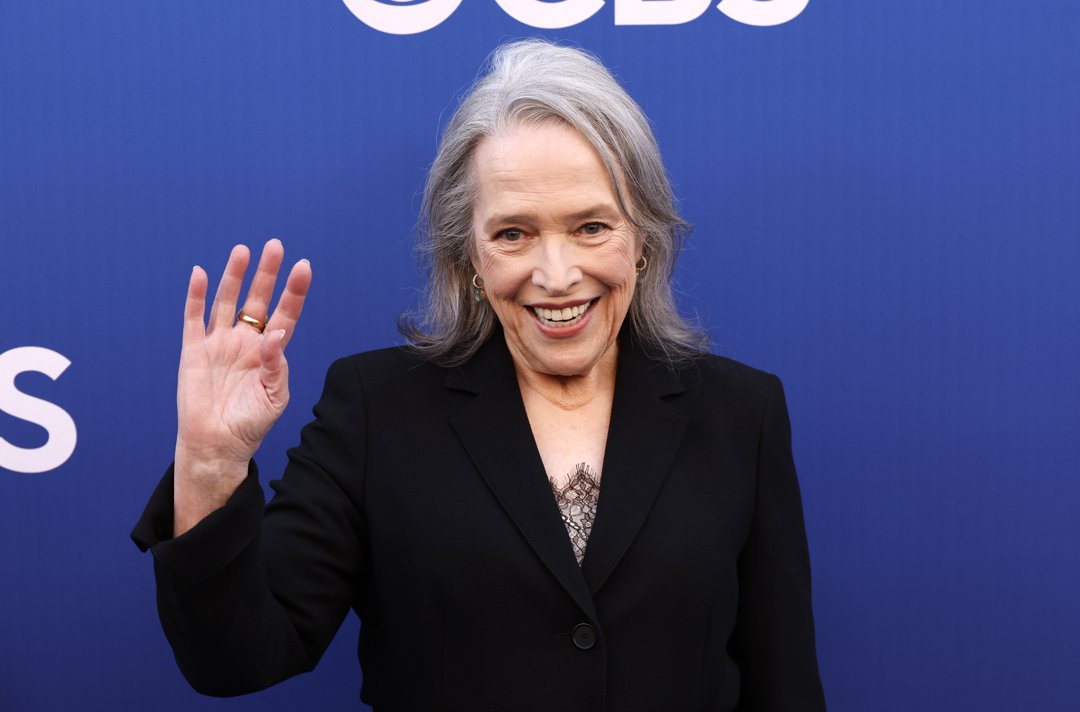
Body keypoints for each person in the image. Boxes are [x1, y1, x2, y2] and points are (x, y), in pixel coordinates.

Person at [132, 39, 826, 711]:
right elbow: (237, 660)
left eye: (590, 227)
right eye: (513, 233)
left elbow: (783, 684)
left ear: (641, 237)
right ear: (468, 257)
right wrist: (209, 466)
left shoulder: (742, 412)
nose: (557, 276)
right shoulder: (375, 410)